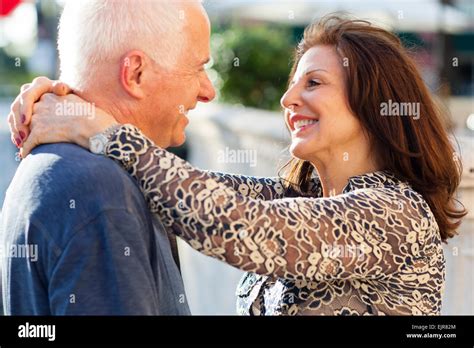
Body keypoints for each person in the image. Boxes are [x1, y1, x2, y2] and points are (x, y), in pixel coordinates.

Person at [8, 15, 466, 315]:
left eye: (314, 82)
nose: (289, 100)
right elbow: (179, 184)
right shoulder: (296, 199)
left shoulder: (396, 215)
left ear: (372, 102)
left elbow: (238, 224)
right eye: (292, 84)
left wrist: (99, 131)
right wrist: (67, 94)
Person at [0, 0, 216, 315]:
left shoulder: (67, 167)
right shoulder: (99, 187)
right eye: (198, 68)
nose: (208, 91)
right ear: (136, 73)